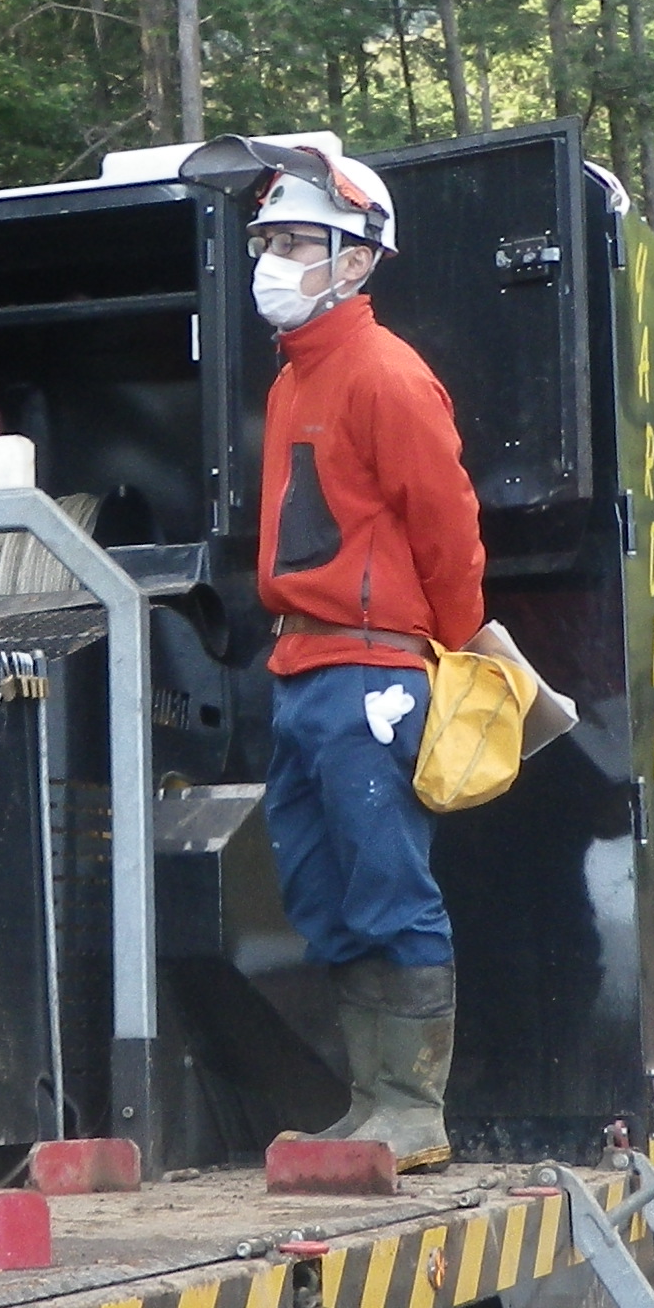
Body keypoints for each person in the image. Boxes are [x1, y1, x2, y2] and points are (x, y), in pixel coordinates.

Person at [217, 136, 488, 1171]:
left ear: (360, 258)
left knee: (384, 881)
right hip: (305, 666)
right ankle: (373, 1100)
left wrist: (456, 648)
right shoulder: (299, 378)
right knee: (325, 892)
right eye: (269, 240)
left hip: (371, 670)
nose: (273, 262)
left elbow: (447, 523)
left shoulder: (384, 374)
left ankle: (412, 1109)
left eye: (298, 241)